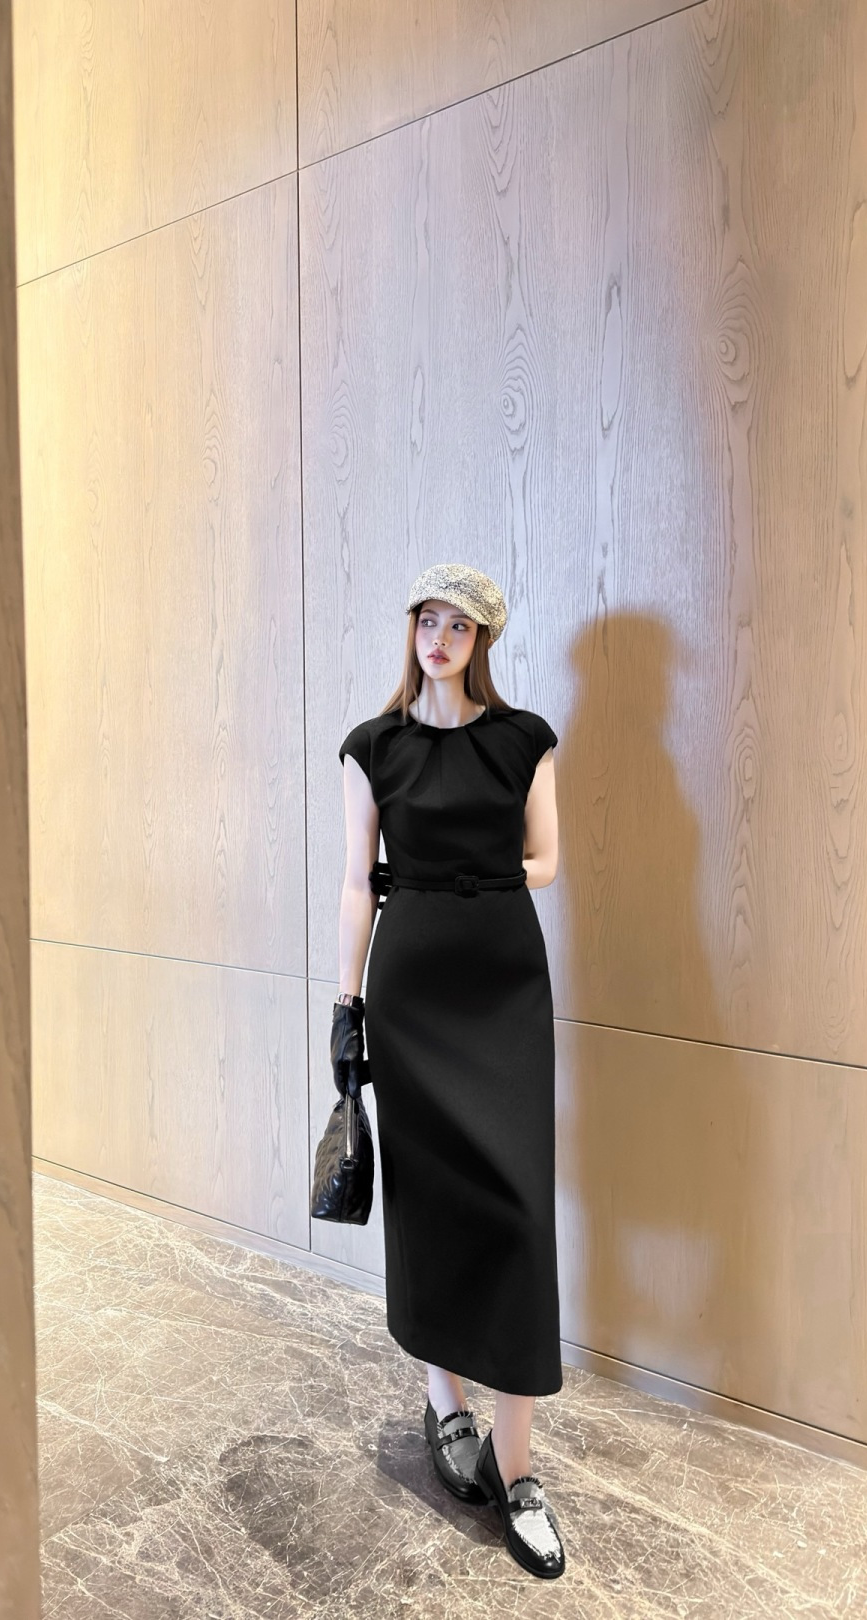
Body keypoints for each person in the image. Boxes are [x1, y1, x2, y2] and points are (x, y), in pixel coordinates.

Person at [333, 562, 565, 1580]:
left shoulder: (525, 740)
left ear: (482, 641)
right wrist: (346, 1006)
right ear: (412, 629)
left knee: (518, 1212)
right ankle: (444, 1402)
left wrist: (478, 877)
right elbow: (357, 883)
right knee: (429, 1200)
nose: (439, 637)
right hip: (413, 992)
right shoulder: (371, 748)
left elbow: (547, 859)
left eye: (458, 625)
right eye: (427, 619)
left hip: (503, 983)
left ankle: (518, 1471)